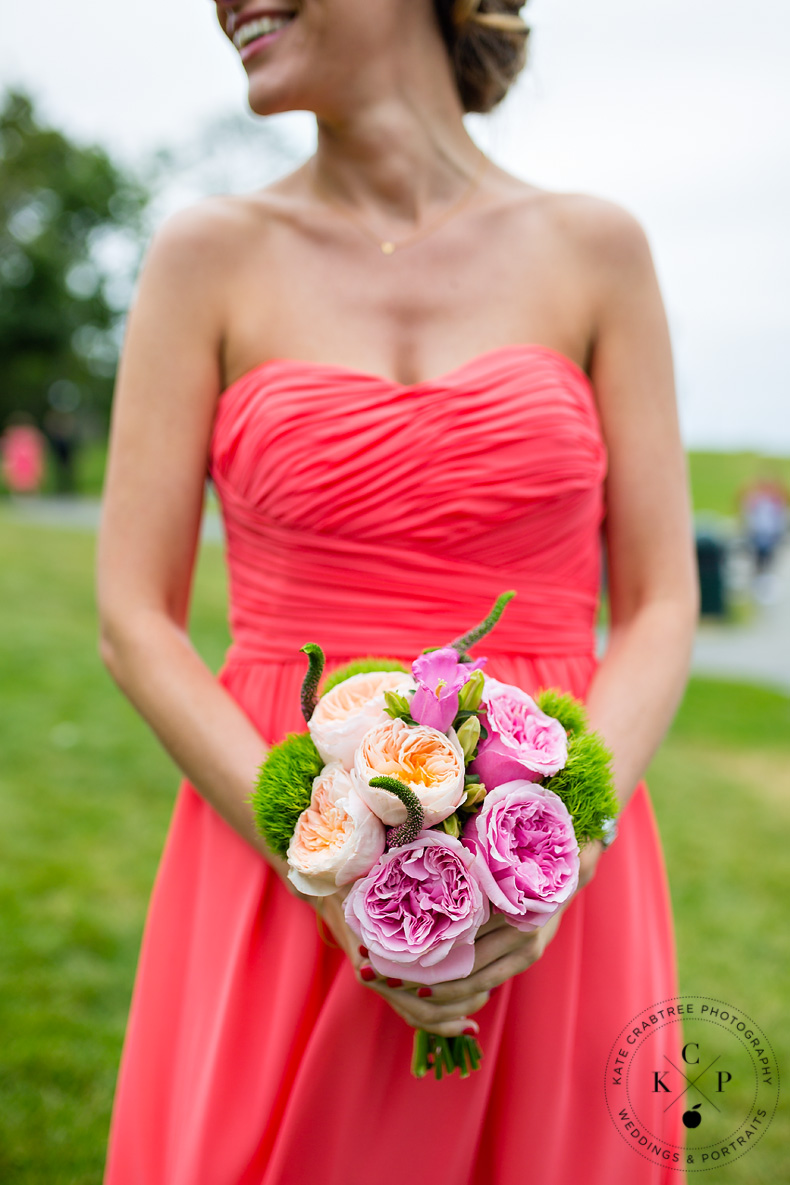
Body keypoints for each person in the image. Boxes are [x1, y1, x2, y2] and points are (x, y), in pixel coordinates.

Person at [96, 1, 699, 1182]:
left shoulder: (596, 249)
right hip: (278, 837)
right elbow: (133, 617)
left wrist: (560, 844)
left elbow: (663, 599)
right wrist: (311, 857)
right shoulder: (204, 254)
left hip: (554, 849)